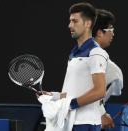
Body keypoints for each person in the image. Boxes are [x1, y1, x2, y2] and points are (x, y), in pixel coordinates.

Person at [38, 2, 109, 131]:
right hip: (69, 122)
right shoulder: (73, 53)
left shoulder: (96, 52)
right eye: (70, 21)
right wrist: (54, 96)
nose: (70, 25)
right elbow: (72, 92)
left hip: (86, 123)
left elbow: (100, 91)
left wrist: (71, 104)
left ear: (87, 24)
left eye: (74, 21)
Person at [92, 9, 123, 130]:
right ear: (100, 32)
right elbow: (93, 93)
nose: (113, 34)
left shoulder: (77, 55)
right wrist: (101, 113)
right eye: (111, 29)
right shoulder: (96, 56)